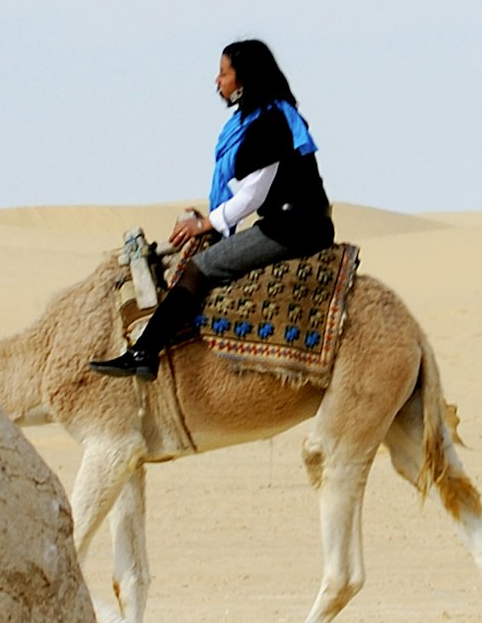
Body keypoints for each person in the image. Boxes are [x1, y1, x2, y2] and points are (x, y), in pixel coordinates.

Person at [91, 38, 337, 378]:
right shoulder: (257, 120)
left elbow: (253, 195)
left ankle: (144, 352)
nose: (217, 80)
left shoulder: (272, 123)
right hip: (288, 221)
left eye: (224, 73)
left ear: (244, 79)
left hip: (294, 226)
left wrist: (206, 224)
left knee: (200, 268)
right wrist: (208, 216)